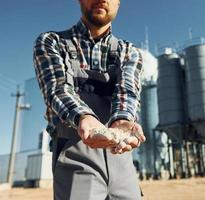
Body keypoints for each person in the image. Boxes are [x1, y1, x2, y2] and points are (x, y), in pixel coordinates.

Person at [33, 0, 145, 199]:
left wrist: (123, 123)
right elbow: (58, 89)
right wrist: (84, 118)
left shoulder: (129, 52)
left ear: (118, 3)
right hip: (74, 152)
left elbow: (127, 93)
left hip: (120, 155)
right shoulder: (52, 42)